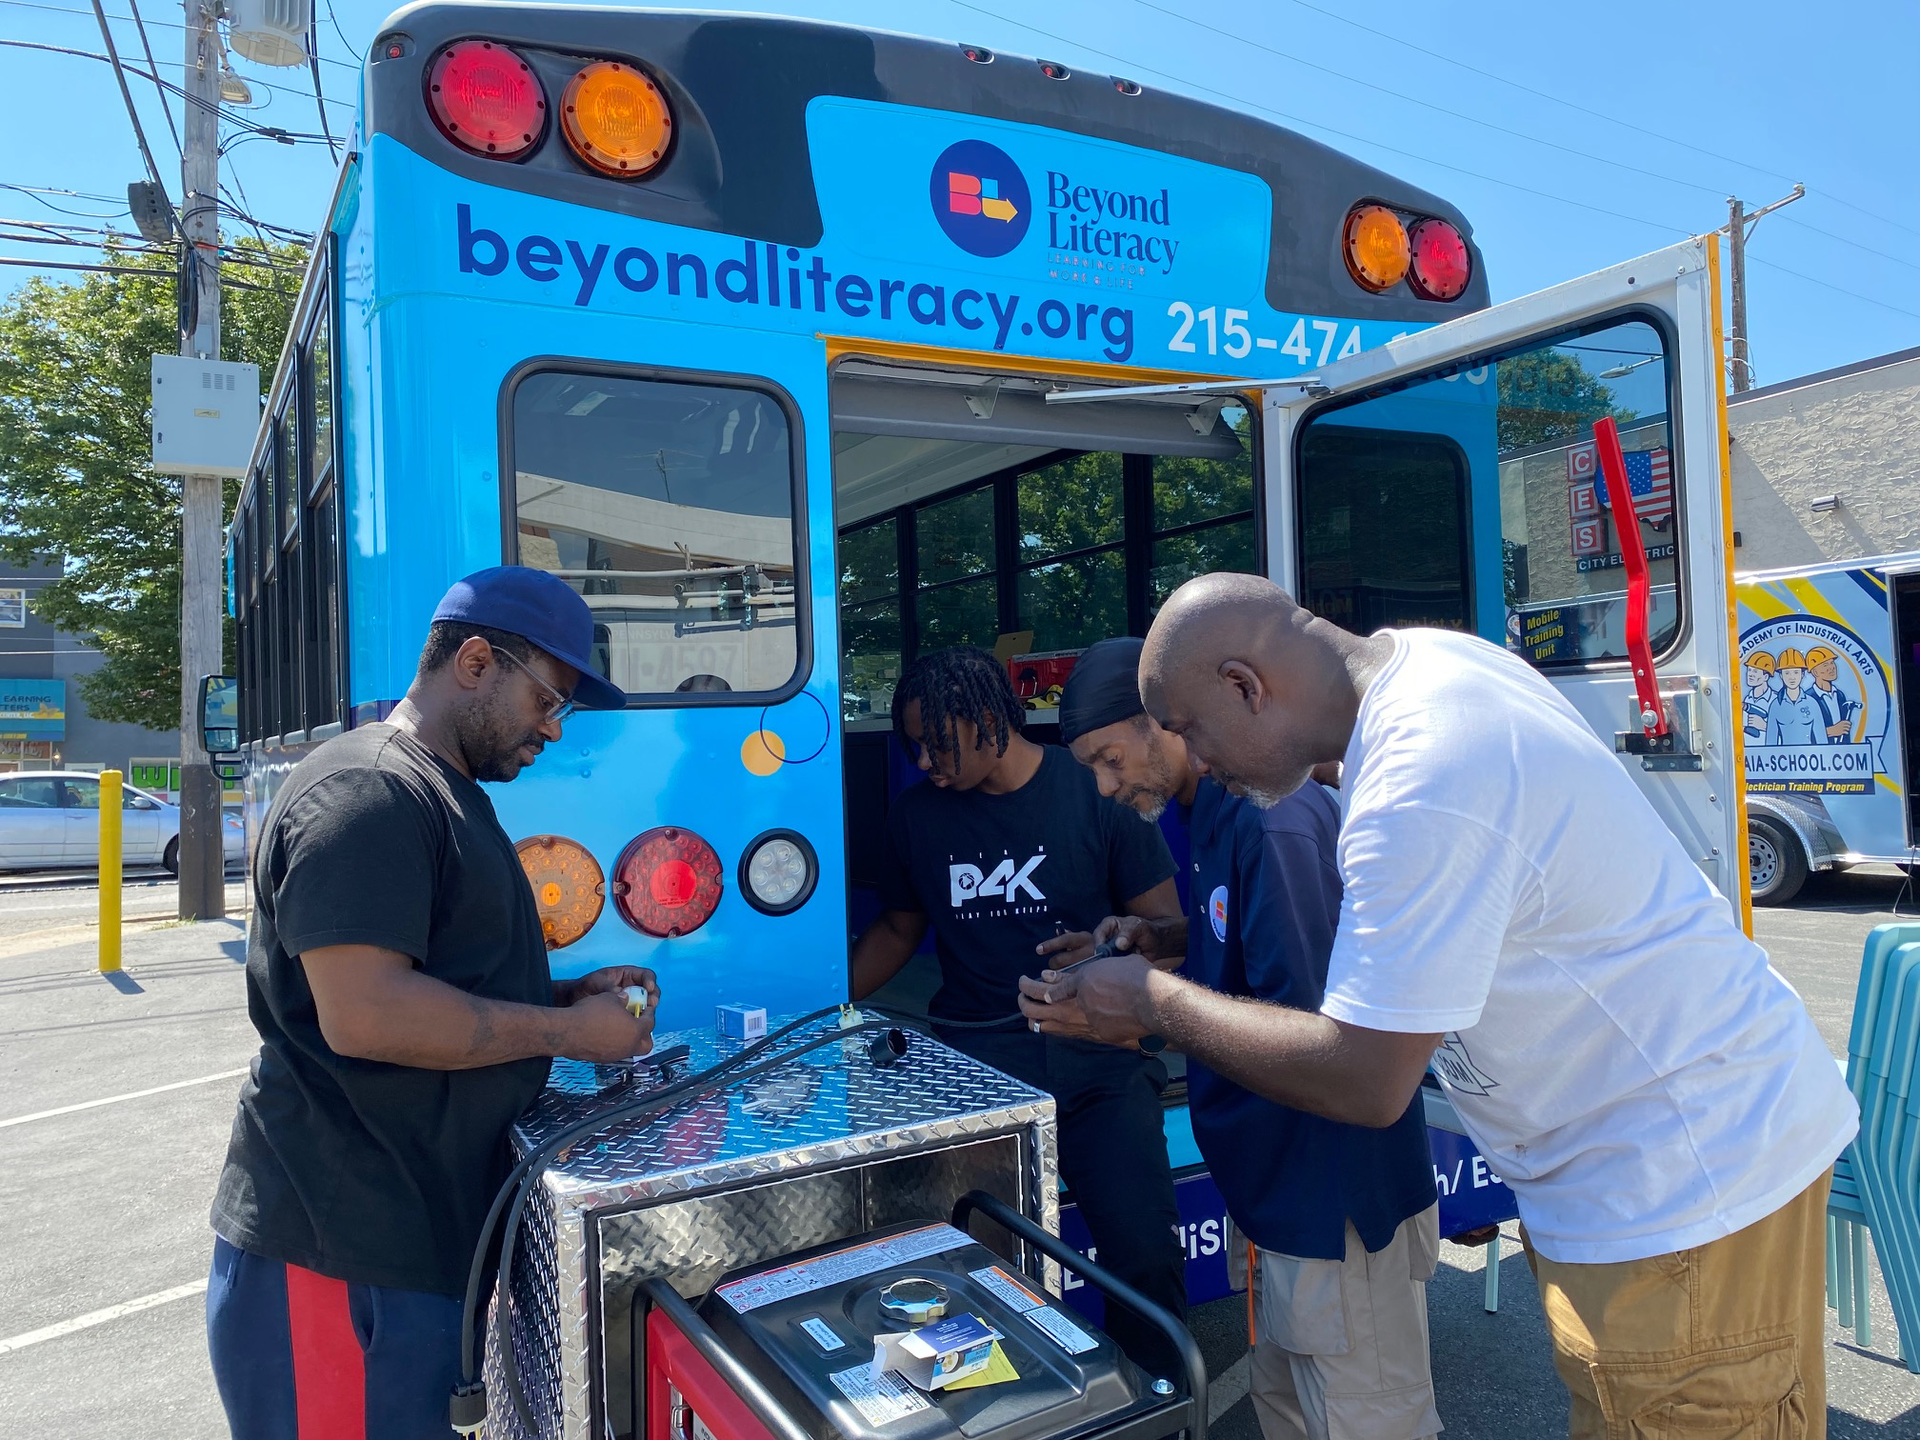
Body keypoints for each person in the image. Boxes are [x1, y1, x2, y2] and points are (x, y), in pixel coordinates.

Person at [1022, 573, 1857, 1440]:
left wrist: (1153, 1004)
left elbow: (1366, 1074)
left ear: (1245, 685)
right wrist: (1179, 949)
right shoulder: (1431, 665)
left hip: (1681, 1185)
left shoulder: (1416, 779)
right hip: (1671, 1159)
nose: (1193, 755)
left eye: (1189, 728)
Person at [207, 566, 661, 1440]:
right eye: (548, 701)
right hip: (338, 1254)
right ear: (479, 661)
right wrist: (569, 1032)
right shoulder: (368, 791)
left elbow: (437, 970)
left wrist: (567, 992)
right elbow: (368, 1012)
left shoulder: (444, 790)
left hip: (408, 1252)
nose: (553, 730)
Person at [1058, 638, 1441, 1440]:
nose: (1105, 785)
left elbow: (1320, 1039)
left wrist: (1151, 1004)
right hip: (1275, 1207)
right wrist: (1167, 939)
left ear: (1163, 723)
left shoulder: (1274, 821)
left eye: (1109, 757)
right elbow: (1256, 958)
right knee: (1290, 1417)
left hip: (1335, 1212)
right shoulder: (1209, 816)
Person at [848, 644, 1189, 1374]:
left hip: (1101, 1068)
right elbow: (899, 930)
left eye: (936, 741)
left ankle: (1159, 1409)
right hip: (977, 1076)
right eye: (912, 743)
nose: (922, 759)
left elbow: (1164, 934)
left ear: (983, 720)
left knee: (1145, 1259)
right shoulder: (915, 817)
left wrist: (1110, 968)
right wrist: (816, 1000)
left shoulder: (1099, 788)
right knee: (974, 1273)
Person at [1766, 646, 1824, 746]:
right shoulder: (1775, 705)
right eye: (1787, 673)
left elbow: (1822, 740)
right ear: (1781, 675)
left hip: (1810, 759)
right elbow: (1770, 742)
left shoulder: (1812, 703)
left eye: (1796, 672)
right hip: (1783, 759)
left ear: (1802, 674)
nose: (1792, 677)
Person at [1806, 646, 1857, 742]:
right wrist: (1830, 731)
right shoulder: (1807, 698)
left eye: (1832, 663)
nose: (1831, 668)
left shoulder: (1840, 695)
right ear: (1815, 672)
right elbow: (1803, 732)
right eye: (1825, 665)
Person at [1742, 650, 1777, 745]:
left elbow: (1789, 733)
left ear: (1766, 677)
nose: (1750, 674)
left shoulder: (1777, 701)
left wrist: (1765, 726)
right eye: (1749, 670)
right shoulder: (1747, 699)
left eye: (1755, 671)